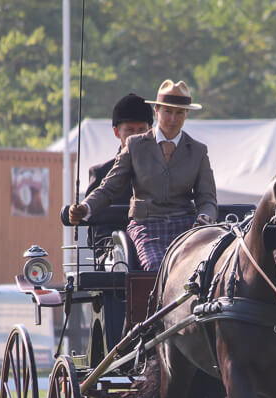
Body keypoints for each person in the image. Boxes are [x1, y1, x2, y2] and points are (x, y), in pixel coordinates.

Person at [67, 79, 217, 270]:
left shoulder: (198, 151)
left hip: (186, 227)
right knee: (156, 267)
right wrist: (85, 208)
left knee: (201, 269)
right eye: (168, 111)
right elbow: (108, 188)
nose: (173, 119)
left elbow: (208, 198)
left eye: (179, 112)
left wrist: (205, 218)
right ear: (157, 111)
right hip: (147, 227)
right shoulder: (135, 145)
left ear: (186, 115)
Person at [87, 93, 153, 205]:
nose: (136, 136)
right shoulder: (101, 174)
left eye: (141, 129)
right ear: (116, 132)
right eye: (130, 130)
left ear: (151, 131)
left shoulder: (162, 170)